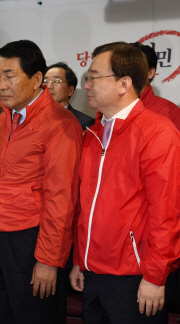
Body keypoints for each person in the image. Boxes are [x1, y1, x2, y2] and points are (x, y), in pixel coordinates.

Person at [70, 41, 180, 323]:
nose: (88, 85)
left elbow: (166, 213)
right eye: (88, 77)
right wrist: (80, 261)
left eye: (94, 77)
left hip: (134, 276)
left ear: (124, 83)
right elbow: (86, 206)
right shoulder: (93, 134)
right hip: (93, 272)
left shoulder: (157, 132)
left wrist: (155, 278)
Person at [0, 40, 83, 323]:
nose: (1, 85)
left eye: (9, 76)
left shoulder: (60, 123)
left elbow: (61, 198)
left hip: (32, 239)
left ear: (37, 79)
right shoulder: (3, 119)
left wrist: (49, 260)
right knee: (1, 315)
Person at [131, 42, 180, 129]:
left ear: (150, 73)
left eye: (134, 67)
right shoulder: (107, 110)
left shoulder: (170, 112)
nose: (126, 73)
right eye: (122, 68)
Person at [44, 62, 95, 130]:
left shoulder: (84, 123)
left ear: (70, 90)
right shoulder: (31, 118)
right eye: (45, 81)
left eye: (56, 81)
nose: (49, 86)